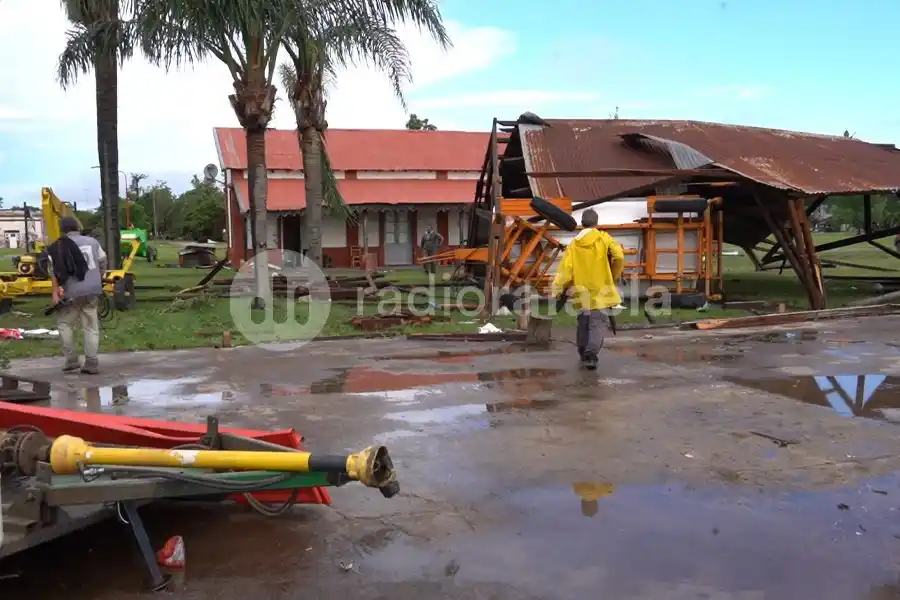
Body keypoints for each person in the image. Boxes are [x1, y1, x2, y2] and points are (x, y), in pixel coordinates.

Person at [551, 209, 625, 370]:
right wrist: (613, 275)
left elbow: (565, 270)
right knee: (597, 323)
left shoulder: (574, 244)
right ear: (596, 223)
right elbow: (618, 256)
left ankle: (583, 351)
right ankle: (590, 355)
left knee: (584, 322)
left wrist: (557, 290)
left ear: (582, 223)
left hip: (581, 291)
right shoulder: (604, 238)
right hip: (601, 289)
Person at [48, 216, 107, 374]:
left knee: (64, 324)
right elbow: (102, 261)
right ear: (77, 227)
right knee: (91, 326)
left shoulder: (56, 246)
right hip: (92, 291)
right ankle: (92, 363)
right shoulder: (92, 242)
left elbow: (53, 272)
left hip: (70, 293)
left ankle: (71, 360)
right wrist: (98, 278)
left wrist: (55, 292)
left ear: (62, 230)